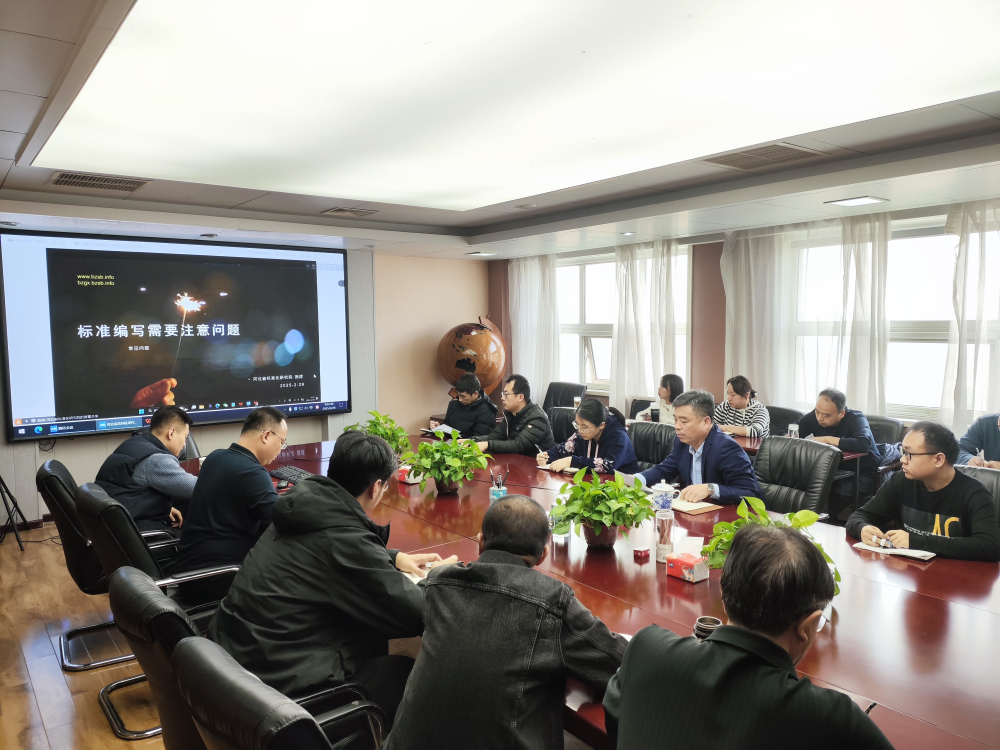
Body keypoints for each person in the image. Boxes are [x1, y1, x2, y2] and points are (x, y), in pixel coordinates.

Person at [208, 430, 455, 724]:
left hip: (235, 667)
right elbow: (418, 612)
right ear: (377, 487)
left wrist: (392, 557)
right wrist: (439, 577)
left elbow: (321, 553)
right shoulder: (343, 539)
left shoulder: (303, 507)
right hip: (279, 693)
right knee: (412, 675)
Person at [603, 524, 893, 749]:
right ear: (807, 627)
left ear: (724, 594)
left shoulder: (645, 649)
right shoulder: (832, 719)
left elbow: (617, 724)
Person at [384, 495, 627, 750]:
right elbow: (619, 660)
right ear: (543, 555)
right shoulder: (553, 601)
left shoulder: (439, 583)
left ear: (480, 542)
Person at [173, 407, 289, 604]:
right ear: (266, 436)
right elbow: (280, 519)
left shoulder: (215, 457)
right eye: (282, 442)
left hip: (189, 571)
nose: (280, 450)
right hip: (217, 577)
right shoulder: (251, 472)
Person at [847, 421, 1000, 562]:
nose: (902, 460)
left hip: (958, 576)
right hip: (911, 571)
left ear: (938, 460)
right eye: (902, 451)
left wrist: (915, 541)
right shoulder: (901, 482)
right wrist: (862, 528)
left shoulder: (974, 493)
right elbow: (859, 516)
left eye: (909, 454)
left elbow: (989, 546)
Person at [636, 389, 761, 504]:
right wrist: (635, 479)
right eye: (675, 420)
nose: (677, 426)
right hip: (695, 511)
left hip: (727, 516)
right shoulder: (682, 442)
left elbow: (751, 494)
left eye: (684, 421)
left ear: (706, 422)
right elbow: (664, 470)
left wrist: (710, 489)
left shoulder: (726, 448)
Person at [95, 405, 195, 536]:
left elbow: (128, 490)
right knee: (200, 538)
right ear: (171, 433)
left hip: (114, 525)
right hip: (134, 533)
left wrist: (165, 508)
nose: (184, 444)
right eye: (185, 437)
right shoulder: (157, 459)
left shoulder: (134, 443)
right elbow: (196, 488)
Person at [796, 388, 881, 519]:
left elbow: (863, 444)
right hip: (832, 471)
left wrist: (828, 439)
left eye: (826, 415)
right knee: (801, 484)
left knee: (836, 493)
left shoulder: (856, 418)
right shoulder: (816, 415)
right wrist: (788, 435)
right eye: (817, 411)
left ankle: (823, 525)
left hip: (862, 473)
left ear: (842, 413)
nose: (819, 418)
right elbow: (792, 430)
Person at [537, 398, 640, 475]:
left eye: (584, 426)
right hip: (593, 483)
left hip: (624, 486)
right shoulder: (582, 433)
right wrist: (547, 456)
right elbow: (564, 449)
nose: (580, 430)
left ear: (601, 425)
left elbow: (607, 465)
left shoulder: (619, 437)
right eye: (577, 424)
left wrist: (573, 461)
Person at [472, 373, 556, 456]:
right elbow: (494, 437)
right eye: (503, 394)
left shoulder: (538, 418)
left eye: (506, 394)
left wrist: (487, 445)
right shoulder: (510, 414)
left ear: (520, 397)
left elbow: (518, 445)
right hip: (517, 460)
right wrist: (471, 441)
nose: (502, 398)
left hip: (538, 462)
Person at [429, 372, 498, 439]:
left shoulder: (487, 411)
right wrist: (438, 428)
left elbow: (480, 439)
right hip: (450, 444)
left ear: (475, 394)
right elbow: (447, 429)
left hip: (468, 445)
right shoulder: (454, 404)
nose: (460, 399)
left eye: (463, 396)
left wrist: (460, 440)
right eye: (458, 395)